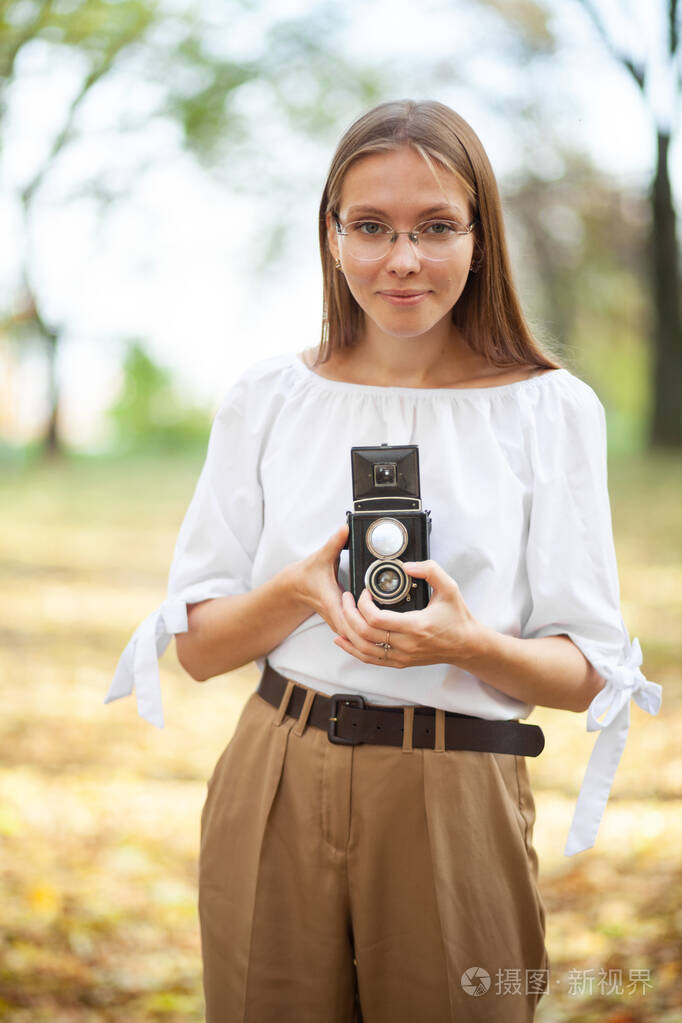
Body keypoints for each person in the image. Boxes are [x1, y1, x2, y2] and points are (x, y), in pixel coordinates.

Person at [105, 99, 662, 1022]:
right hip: (277, 773)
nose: (402, 259)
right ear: (332, 236)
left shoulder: (550, 410)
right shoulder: (269, 398)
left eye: (436, 227)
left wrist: (469, 644)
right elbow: (198, 649)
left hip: (456, 787)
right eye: (370, 226)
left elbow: (588, 673)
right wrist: (297, 592)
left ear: (480, 237)